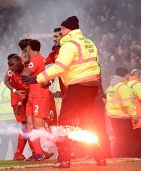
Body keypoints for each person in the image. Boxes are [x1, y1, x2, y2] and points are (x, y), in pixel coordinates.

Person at [22, 16, 106, 168]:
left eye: (62, 29)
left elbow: (60, 67)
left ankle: (64, 159)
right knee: (86, 120)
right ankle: (100, 156)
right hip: (92, 86)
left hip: (77, 86)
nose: (60, 31)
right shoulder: (89, 42)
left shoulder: (69, 44)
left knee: (64, 122)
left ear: (68, 29)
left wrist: (37, 79)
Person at [21, 39, 53, 161]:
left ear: (30, 49)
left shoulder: (36, 60)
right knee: (30, 125)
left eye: (26, 49)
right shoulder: (35, 60)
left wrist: (24, 63)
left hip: (39, 95)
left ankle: (61, 139)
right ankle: (38, 153)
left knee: (38, 126)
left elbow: (25, 75)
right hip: (32, 95)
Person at [106, 67, 138, 158]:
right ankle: (125, 157)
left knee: (118, 138)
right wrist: (134, 115)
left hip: (114, 117)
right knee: (126, 139)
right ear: (125, 75)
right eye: (128, 74)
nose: (129, 76)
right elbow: (127, 104)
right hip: (123, 118)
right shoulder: (123, 87)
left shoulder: (112, 86)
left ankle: (116, 157)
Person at [3, 53, 28, 160]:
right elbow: (6, 80)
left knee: (28, 126)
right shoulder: (12, 70)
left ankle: (22, 153)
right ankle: (19, 153)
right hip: (18, 101)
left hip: (24, 99)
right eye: (10, 66)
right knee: (26, 126)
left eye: (13, 65)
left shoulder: (26, 68)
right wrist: (15, 91)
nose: (11, 68)